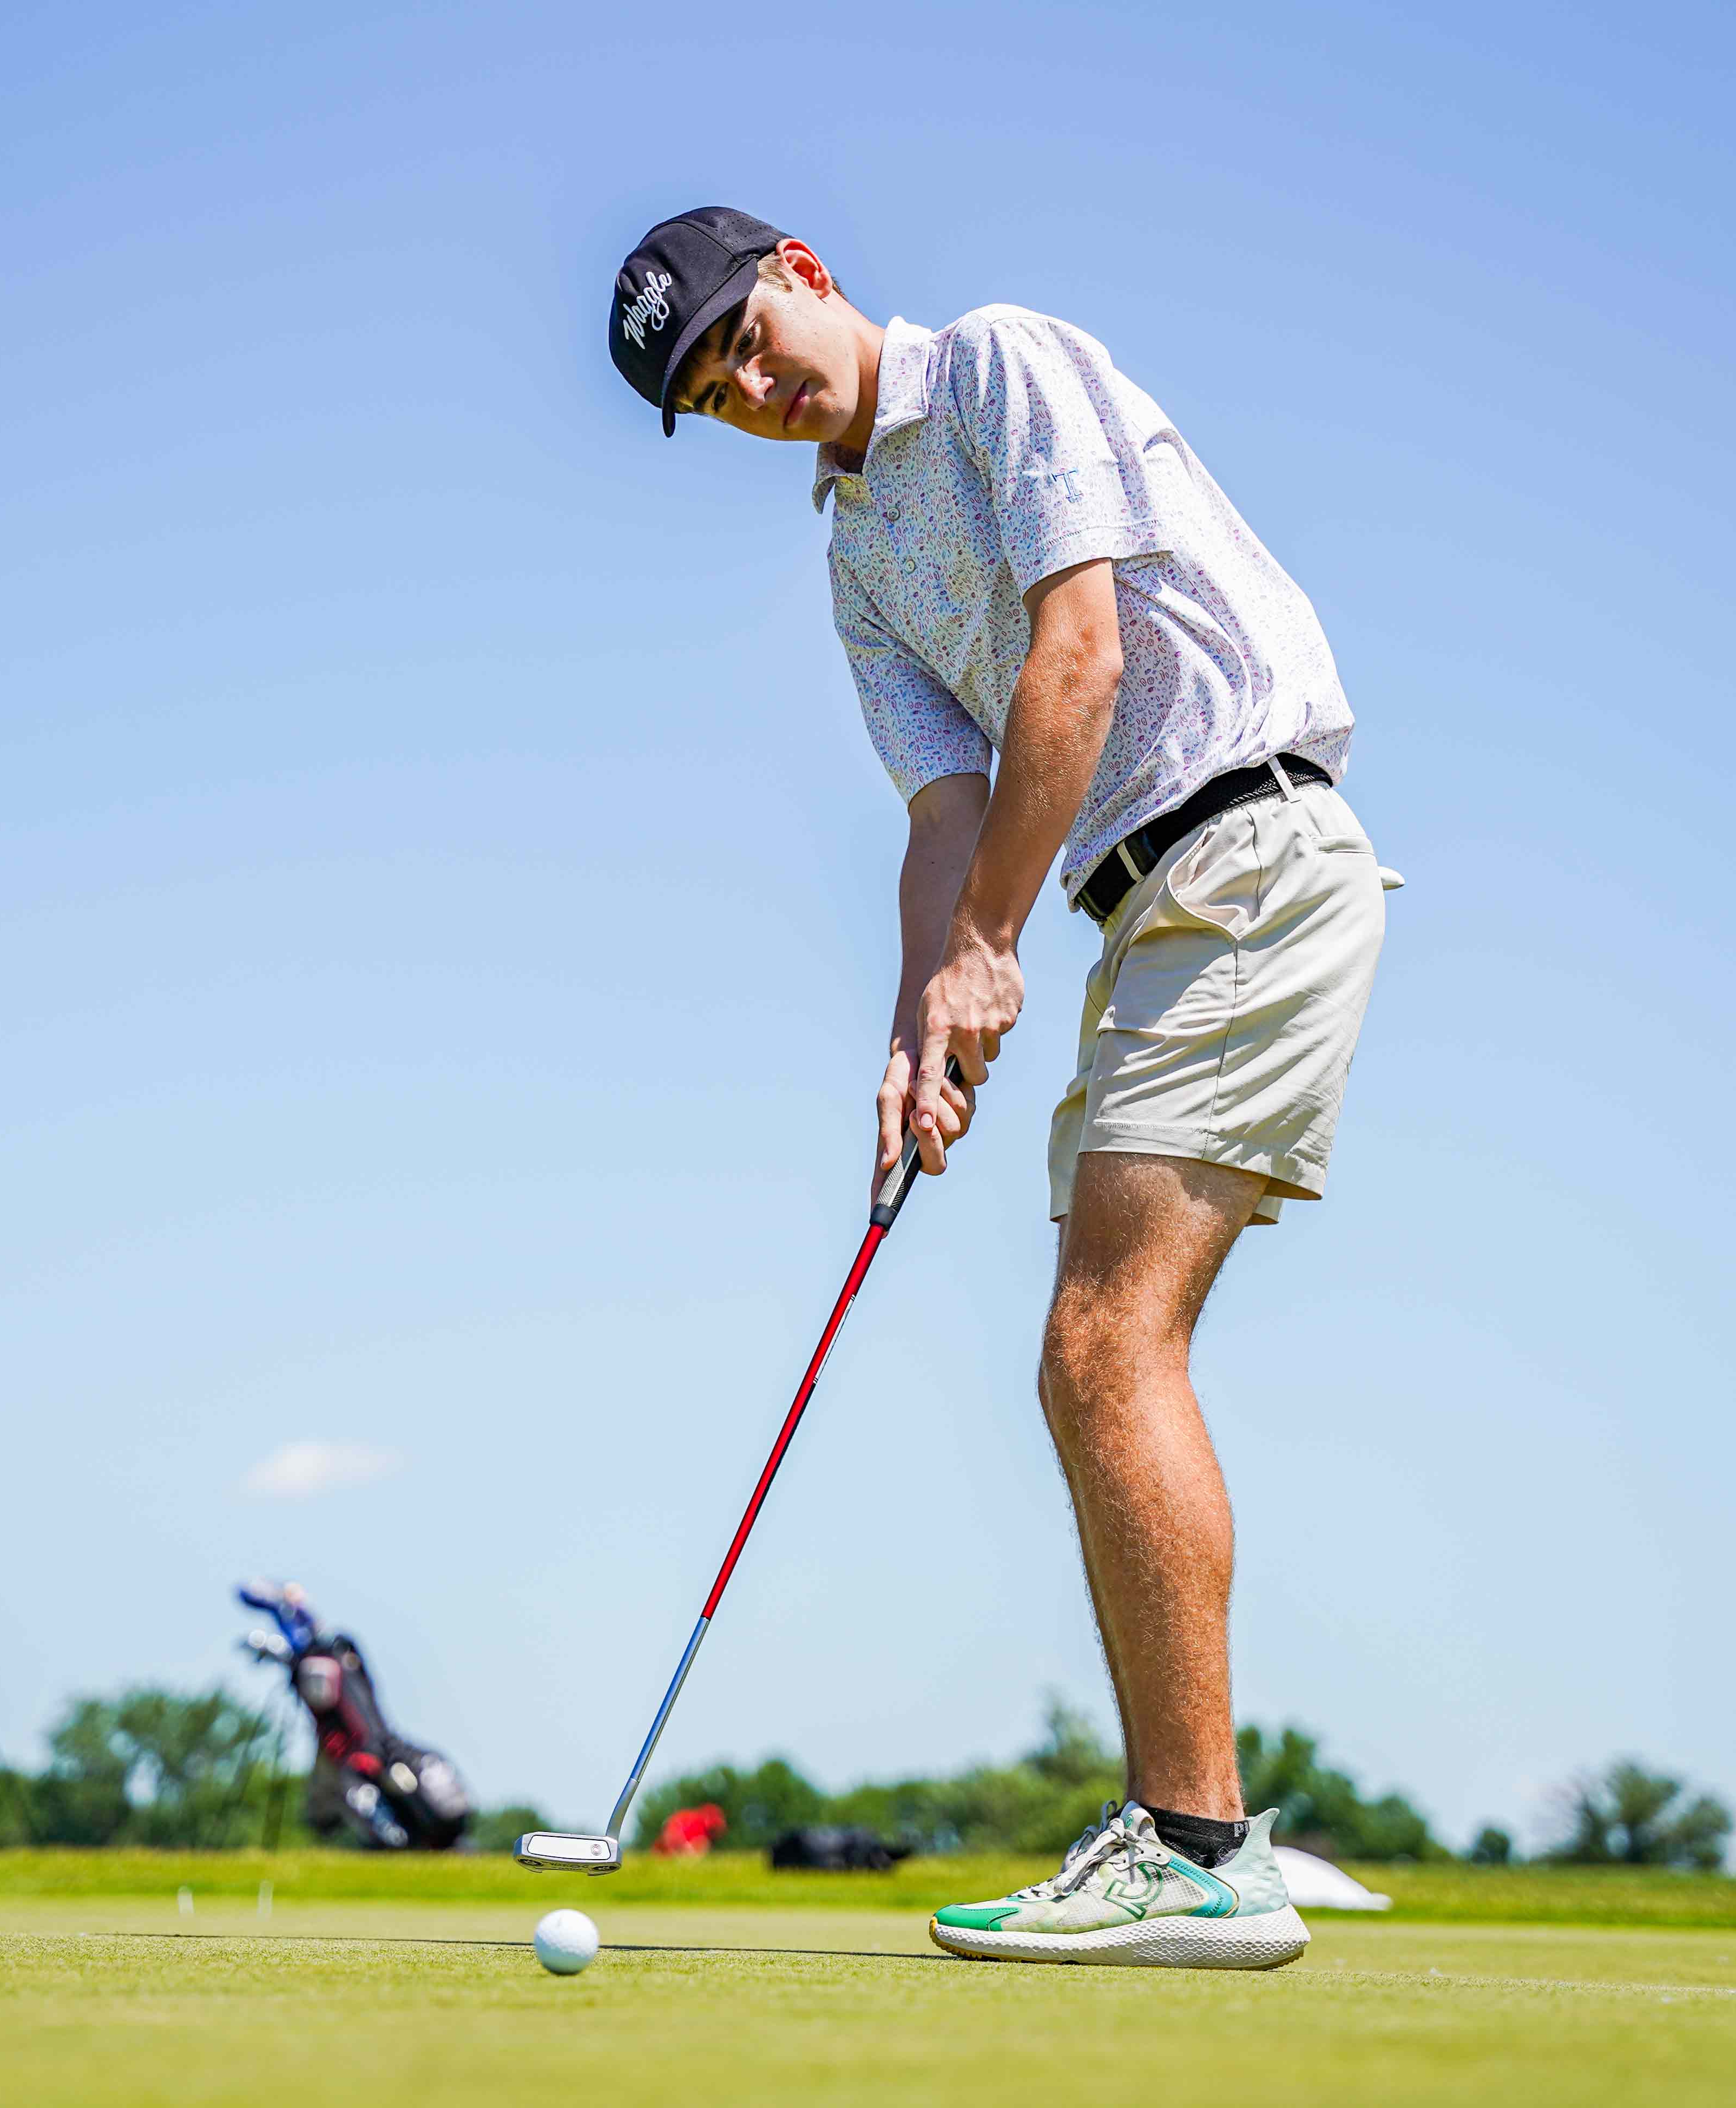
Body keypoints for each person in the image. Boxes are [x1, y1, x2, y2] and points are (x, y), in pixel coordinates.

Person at [606, 209, 1388, 1968]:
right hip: (1144, 911)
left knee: (1103, 1345)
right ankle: (1183, 1835)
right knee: (1094, 1350)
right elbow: (942, 816)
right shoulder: (855, 555)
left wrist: (986, 948)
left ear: (801, 270)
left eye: (743, 338)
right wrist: (912, 1025)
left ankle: (1194, 1846)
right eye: (710, 392)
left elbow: (1080, 657)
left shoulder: (1000, 366)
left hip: (1244, 849)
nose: (747, 387)